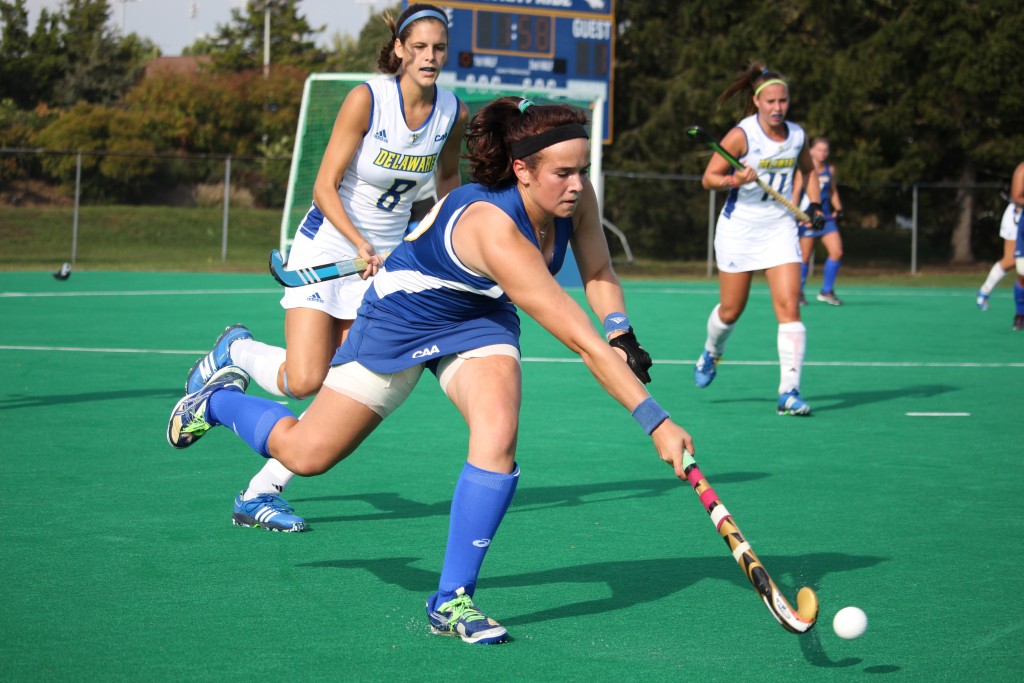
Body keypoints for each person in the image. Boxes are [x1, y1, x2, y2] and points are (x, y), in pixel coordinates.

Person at [167, 96, 693, 645]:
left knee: (497, 431)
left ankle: (452, 599)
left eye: (581, 171)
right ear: (522, 170)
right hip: (403, 315)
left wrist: (620, 328)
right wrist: (655, 420)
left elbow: (600, 268)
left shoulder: (571, 200)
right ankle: (217, 400)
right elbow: (580, 343)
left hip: (480, 316)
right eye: (564, 173)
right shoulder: (495, 229)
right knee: (305, 454)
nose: (578, 185)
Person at [182, 4, 469, 532]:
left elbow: (447, 184)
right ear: (401, 49)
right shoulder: (367, 99)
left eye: (439, 48)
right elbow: (323, 185)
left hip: (382, 266)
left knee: (343, 386)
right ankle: (235, 350)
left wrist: (450, 232)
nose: (431, 57)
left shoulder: (452, 112)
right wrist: (359, 244)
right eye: (421, 47)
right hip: (328, 249)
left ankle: (259, 492)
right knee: (304, 379)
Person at [691, 62, 825, 416]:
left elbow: (809, 172)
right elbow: (709, 178)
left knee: (790, 308)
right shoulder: (742, 135)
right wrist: (736, 180)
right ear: (757, 101)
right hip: (740, 229)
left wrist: (816, 205)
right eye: (771, 102)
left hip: (780, 228)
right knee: (732, 310)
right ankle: (711, 351)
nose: (778, 108)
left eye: (783, 101)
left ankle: (789, 391)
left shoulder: (797, 136)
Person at [794, 137, 845, 306]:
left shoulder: (830, 169)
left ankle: (827, 291)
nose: (822, 153)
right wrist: (797, 216)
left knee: (837, 251)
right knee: (805, 257)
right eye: (819, 149)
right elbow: (795, 195)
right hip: (807, 218)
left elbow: (832, 191)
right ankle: (798, 293)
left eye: (825, 150)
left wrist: (839, 209)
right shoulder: (804, 170)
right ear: (811, 151)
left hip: (825, 218)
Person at [977, 161, 1024, 322]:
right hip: (1017, 218)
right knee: (1011, 260)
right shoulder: (1022, 169)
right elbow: (1016, 197)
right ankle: (985, 291)